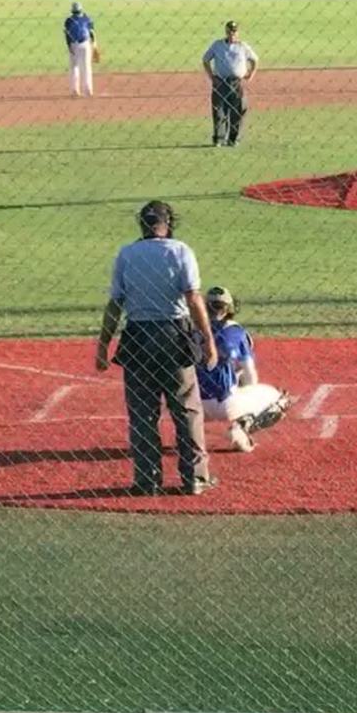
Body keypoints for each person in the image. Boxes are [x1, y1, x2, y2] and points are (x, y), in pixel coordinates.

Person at [95, 200, 219, 496]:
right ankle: (194, 478)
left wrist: (103, 344)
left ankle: (146, 479)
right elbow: (193, 298)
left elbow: (116, 303)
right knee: (186, 409)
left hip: (137, 336)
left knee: (142, 413)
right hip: (174, 336)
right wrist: (208, 339)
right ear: (169, 223)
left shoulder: (127, 253)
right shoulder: (180, 251)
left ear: (142, 224)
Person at [197, 286, 292, 453]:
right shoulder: (235, 331)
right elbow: (250, 376)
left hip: (193, 404)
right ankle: (241, 427)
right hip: (225, 403)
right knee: (281, 400)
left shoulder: (190, 329)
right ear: (228, 308)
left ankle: (188, 435)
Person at [202, 20, 258, 146]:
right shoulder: (217, 45)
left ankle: (233, 139)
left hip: (237, 82)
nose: (232, 34)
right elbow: (205, 60)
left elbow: (254, 60)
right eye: (229, 31)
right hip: (220, 82)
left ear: (238, 32)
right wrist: (212, 77)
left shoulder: (243, 46)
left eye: (234, 31)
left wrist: (251, 74)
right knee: (219, 111)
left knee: (238, 111)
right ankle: (219, 139)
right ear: (226, 32)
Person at [64, 0, 99, 97]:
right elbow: (92, 33)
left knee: (74, 67)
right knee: (86, 67)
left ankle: (75, 90)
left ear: (72, 11)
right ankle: (88, 90)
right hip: (85, 44)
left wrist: (69, 46)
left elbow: (67, 35)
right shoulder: (87, 18)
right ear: (81, 9)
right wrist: (94, 44)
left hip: (73, 44)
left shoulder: (69, 20)